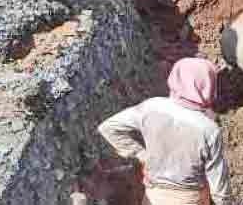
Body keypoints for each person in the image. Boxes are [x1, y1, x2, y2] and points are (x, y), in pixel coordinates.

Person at [98, 58, 233, 205]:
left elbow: (108, 128)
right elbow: (219, 189)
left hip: (154, 197)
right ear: (208, 86)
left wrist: (141, 154)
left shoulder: (151, 107)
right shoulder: (208, 129)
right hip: (190, 199)